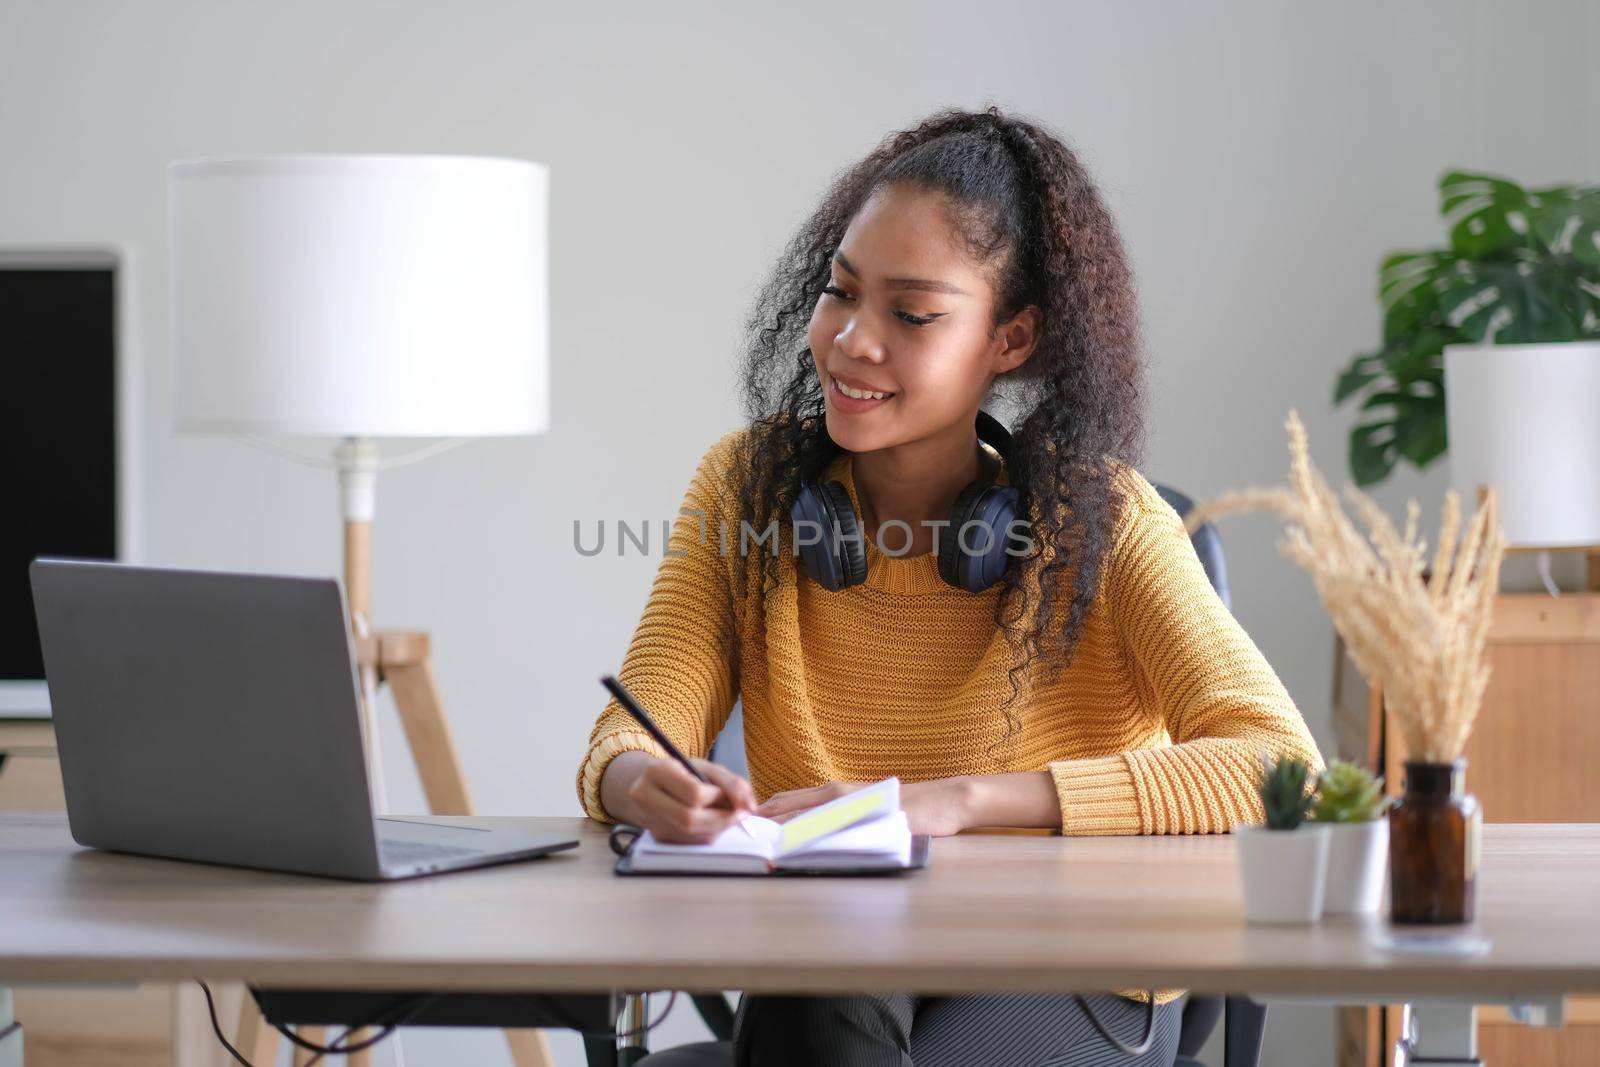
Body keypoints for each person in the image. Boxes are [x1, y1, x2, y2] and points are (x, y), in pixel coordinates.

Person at [576, 104, 1323, 1067]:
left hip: (1062, 962)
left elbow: (1281, 765)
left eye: (912, 314)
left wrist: (953, 800)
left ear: (1011, 338)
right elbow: (627, 737)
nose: (851, 340)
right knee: (820, 1000)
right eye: (840, 293)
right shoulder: (745, 488)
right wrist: (650, 787)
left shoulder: (1107, 517)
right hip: (838, 946)